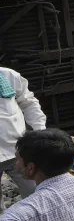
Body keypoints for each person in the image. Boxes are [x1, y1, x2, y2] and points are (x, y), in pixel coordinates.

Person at [0, 66, 46, 206]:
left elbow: (29, 102)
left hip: (17, 151)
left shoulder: (7, 76)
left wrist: (40, 131)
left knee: (35, 194)